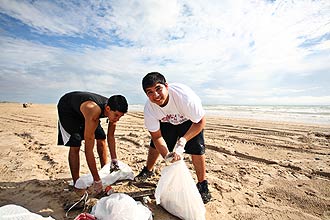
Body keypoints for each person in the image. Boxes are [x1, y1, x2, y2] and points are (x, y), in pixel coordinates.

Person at [135, 72, 211, 203]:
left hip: (189, 121)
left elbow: (200, 121)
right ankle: (148, 170)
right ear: (146, 95)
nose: (156, 95)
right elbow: (157, 136)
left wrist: (183, 141)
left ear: (166, 86)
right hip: (166, 122)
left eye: (158, 89)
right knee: (155, 146)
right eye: (150, 92)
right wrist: (167, 156)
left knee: (197, 149)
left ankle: (202, 185)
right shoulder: (149, 109)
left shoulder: (185, 98)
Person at [57, 91, 128, 194]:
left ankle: (104, 172)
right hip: (69, 109)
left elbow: (110, 136)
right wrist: (96, 180)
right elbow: (88, 150)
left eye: (120, 117)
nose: (117, 119)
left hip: (85, 111)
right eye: (116, 115)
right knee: (76, 141)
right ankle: (77, 182)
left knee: (101, 136)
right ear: (108, 109)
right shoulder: (93, 112)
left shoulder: (113, 109)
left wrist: (114, 160)